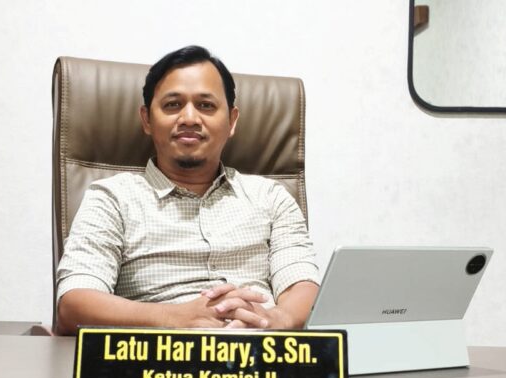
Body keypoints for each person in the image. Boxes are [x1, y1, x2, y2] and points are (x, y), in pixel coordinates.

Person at [56, 46, 319, 335]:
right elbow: (74, 303)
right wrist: (175, 317)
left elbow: (302, 285)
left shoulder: (271, 197)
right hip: (157, 355)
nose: (190, 118)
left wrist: (275, 319)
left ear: (232, 121)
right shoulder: (112, 199)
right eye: (172, 105)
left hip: (262, 351)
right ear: (147, 119)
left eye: (206, 105)